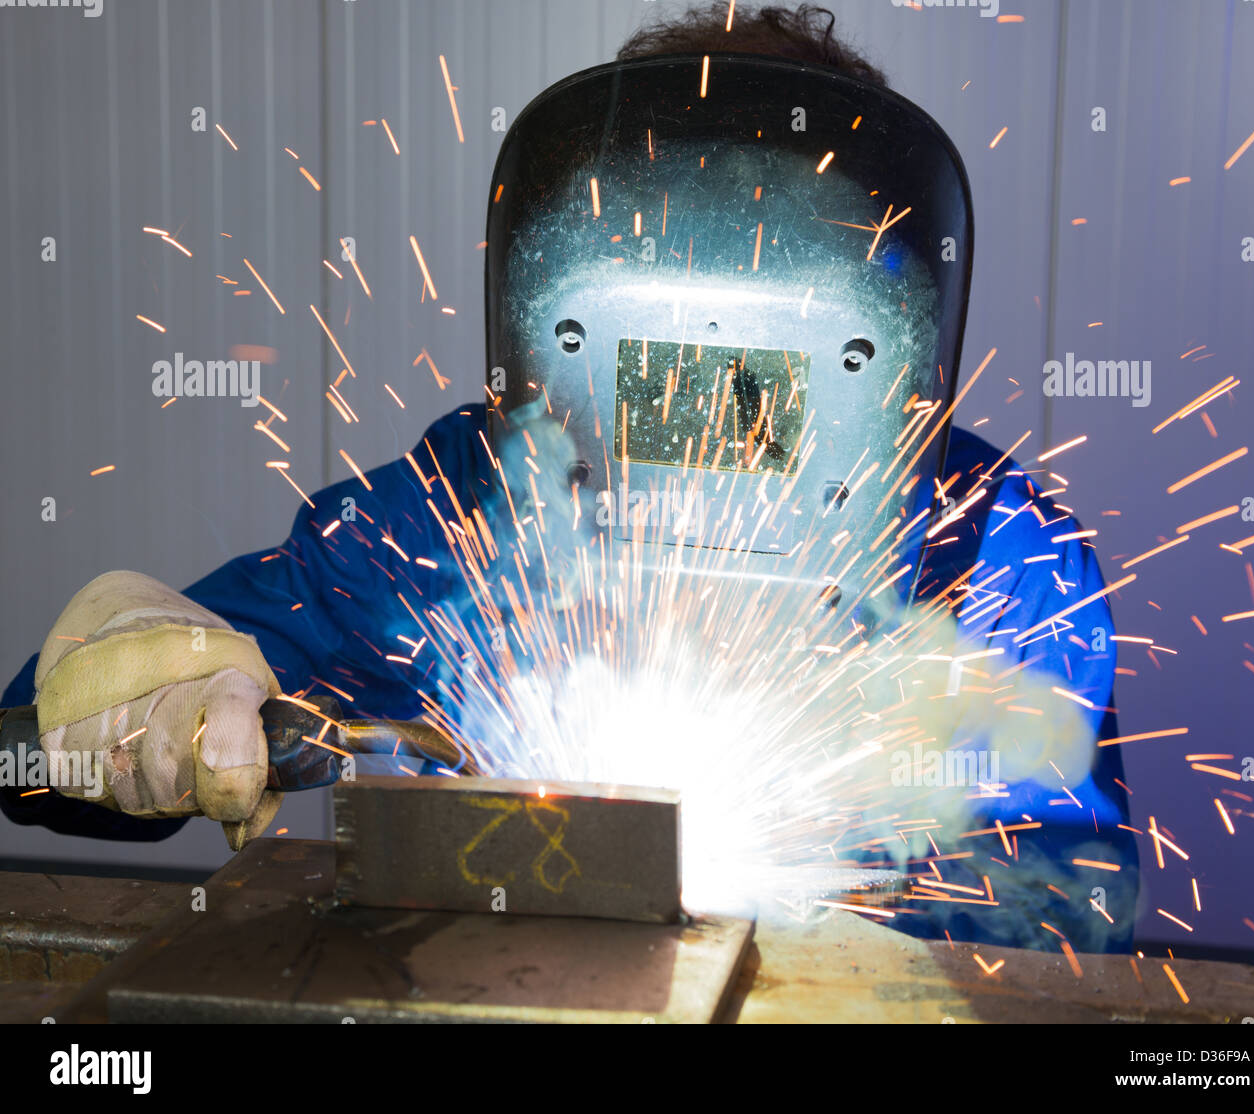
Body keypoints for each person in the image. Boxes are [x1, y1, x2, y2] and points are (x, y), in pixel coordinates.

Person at [1, 3, 1137, 952]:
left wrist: (864, 899)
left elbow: (1071, 899)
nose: (710, 420)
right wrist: (140, 697)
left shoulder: (997, 549)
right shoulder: (463, 513)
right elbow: (38, 744)